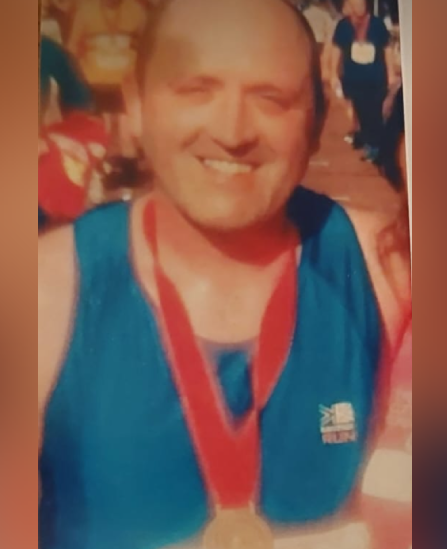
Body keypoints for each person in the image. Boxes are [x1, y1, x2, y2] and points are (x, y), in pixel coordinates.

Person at [38, 0, 412, 547]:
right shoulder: (44, 298)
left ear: (316, 124)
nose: (232, 131)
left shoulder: (384, 268)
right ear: (136, 107)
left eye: (272, 99)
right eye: (196, 90)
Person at [68, 0, 148, 161]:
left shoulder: (136, 11)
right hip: (95, 82)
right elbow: (72, 47)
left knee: (128, 132)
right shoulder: (86, 10)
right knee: (102, 131)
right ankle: (102, 167)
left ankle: (128, 169)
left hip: (126, 83)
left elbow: (148, 46)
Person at [330, 0, 392, 162]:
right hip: (353, 79)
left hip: (376, 78)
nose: (359, 6)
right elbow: (336, 50)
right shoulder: (343, 26)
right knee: (361, 112)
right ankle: (369, 142)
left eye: (361, 3)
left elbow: (387, 50)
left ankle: (375, 147)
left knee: (375, 112)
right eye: (355, 3)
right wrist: (333, 74)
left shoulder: (377, 25)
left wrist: (391, 74)